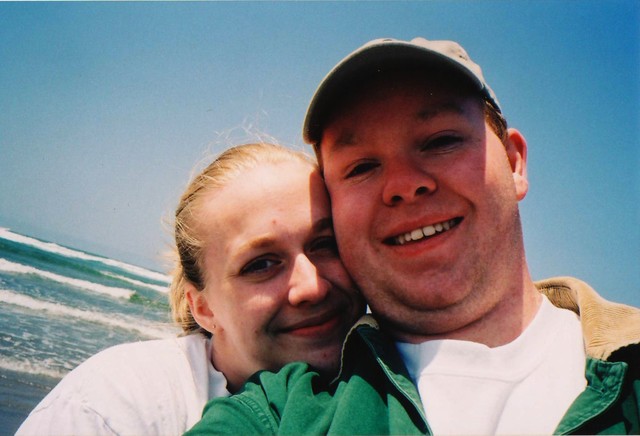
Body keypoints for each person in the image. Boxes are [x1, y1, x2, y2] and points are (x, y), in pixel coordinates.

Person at [187, 38, 640, 435]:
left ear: (515, 162)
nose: (404, 183)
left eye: (440, 141)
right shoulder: (285, 411)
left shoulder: (628, 363)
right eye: (362, 167)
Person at [16, 142, 364, 435]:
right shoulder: (118, 404)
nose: (311, 287)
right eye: (260, 264)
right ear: (204, 309)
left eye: (326, 244)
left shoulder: (403, 380)